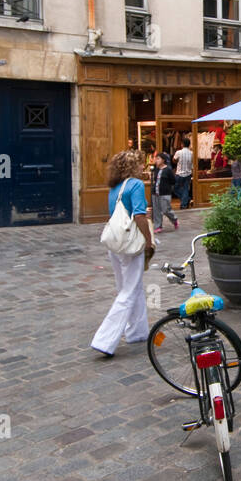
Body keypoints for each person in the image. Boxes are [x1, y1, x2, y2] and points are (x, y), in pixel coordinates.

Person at [92, 151, 155, 358]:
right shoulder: (135, 185)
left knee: (130, 287)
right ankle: (105, 339)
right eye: (139, 164)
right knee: (128, 291)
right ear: (132, 167)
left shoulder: (115, 188)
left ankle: (137, 332)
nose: (142, 168)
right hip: (131, 244)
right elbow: (139, 215)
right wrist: (148, 241)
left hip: (115, 245)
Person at [152, 152, 179, 233]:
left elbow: (173, 181)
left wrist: (167, 186)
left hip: (165, 193)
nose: (156, 160)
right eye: (156, 158)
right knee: (156, 210)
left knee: (166, 209)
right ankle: (158, 226)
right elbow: (155, 180)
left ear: (163, 160)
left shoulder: (168, 170)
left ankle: (174, 219)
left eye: (158, 159)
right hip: (155, 193)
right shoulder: (155, 169)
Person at [173, 136, 194, 209]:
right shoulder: (192, 153)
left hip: (179, 174)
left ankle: (185, 201)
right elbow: (193, 163)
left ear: (182, 144)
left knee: (175, 189)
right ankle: (185, 202)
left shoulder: (178, 152)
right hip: (188, 173)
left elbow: (174, 160)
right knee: (185, 189)